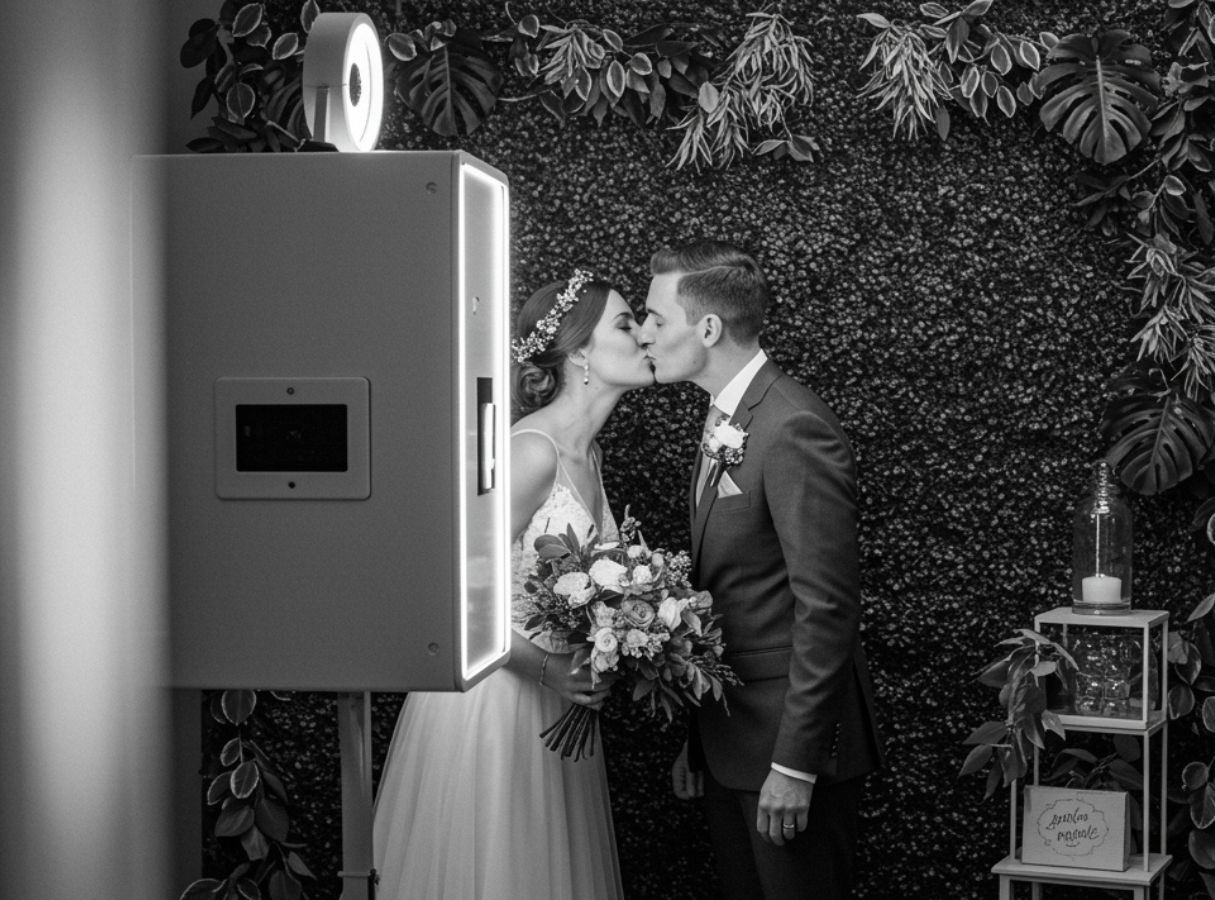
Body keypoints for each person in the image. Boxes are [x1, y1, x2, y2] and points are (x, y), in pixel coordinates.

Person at [373, 270, 652, 900]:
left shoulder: (589, 455)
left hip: (556, 707)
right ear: (579, 353)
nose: (644, 336)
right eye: (626, 323)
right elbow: (449, 591)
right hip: (496, 705)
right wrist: (548, 668)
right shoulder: (531, 453)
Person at [638, 240, 884, 899]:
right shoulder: (725, 414)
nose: (644, 334)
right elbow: (732, 592)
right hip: (731, 740)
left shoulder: (792, 425)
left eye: (656, 318)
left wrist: (795, 764)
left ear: (707, 328)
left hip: (787, 750)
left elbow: (826, 607)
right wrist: (700, 738)